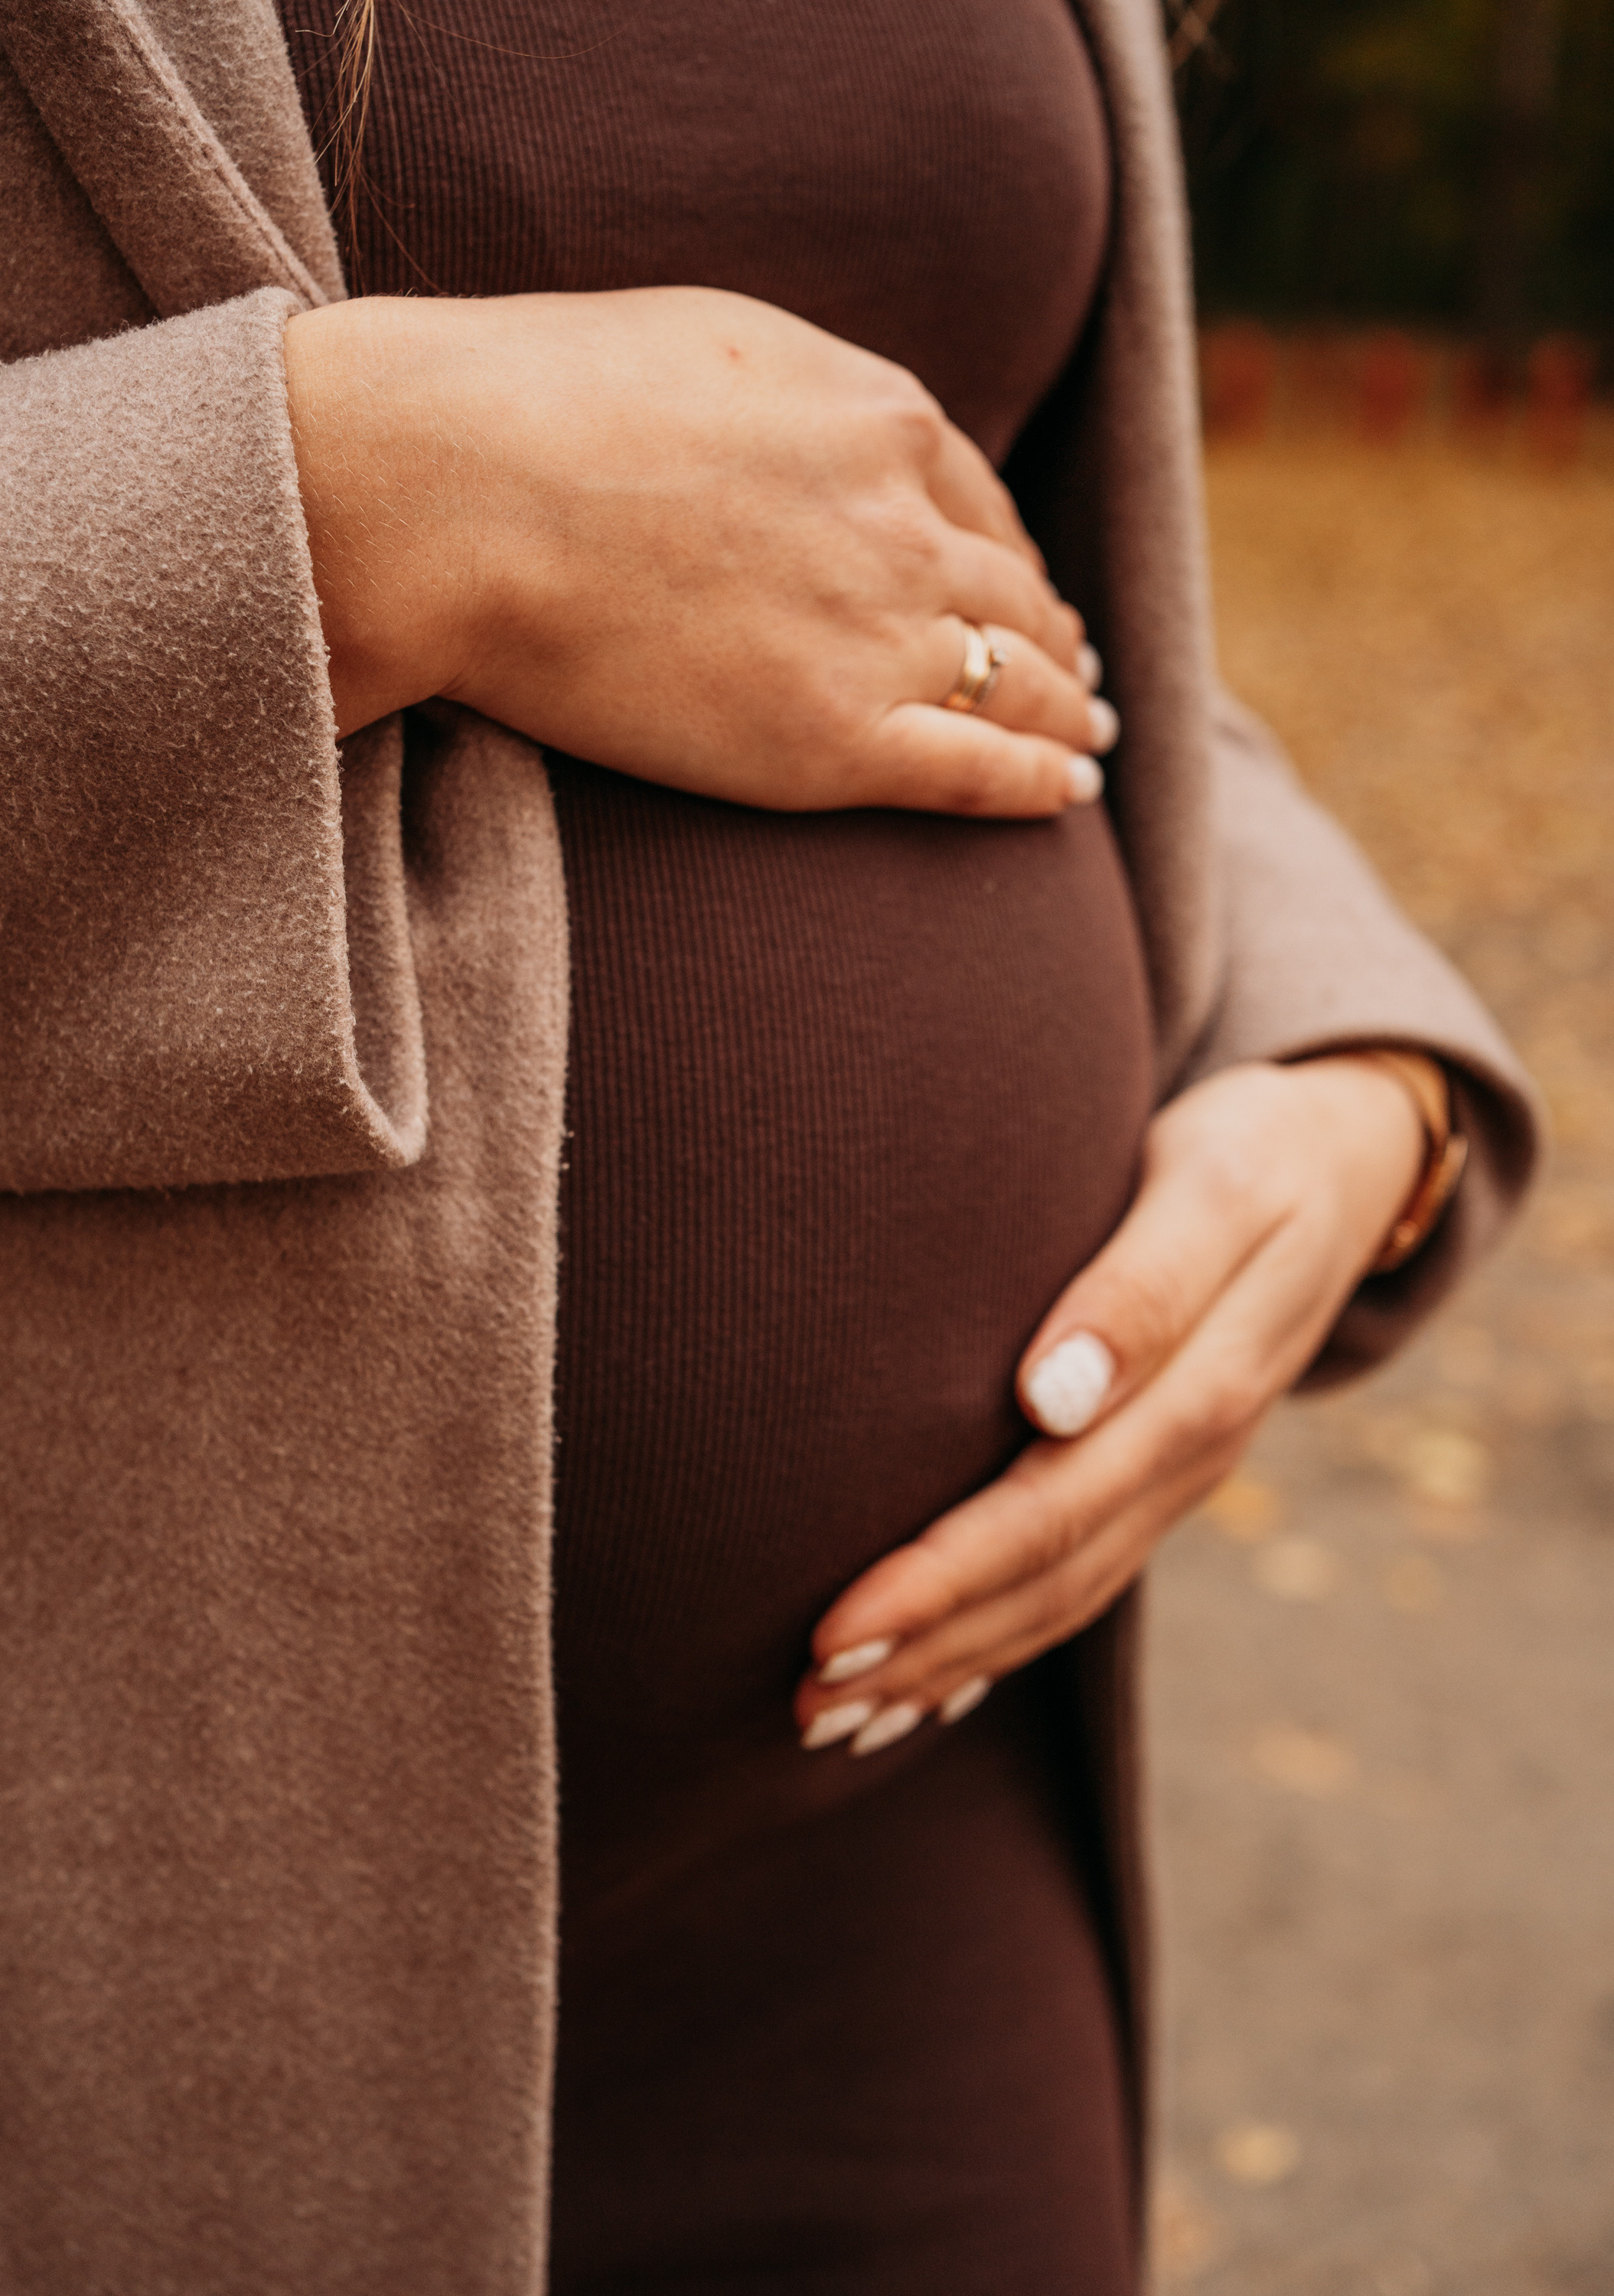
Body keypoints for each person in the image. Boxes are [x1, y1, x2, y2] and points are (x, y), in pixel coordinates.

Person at [0, 0, 1539, 2289]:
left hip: (907, 1892)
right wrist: (346, 507)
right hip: (114, 1942)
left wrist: (1338, 1054)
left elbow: (996, 543)